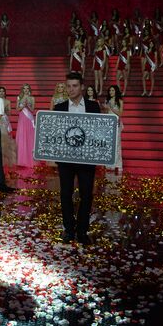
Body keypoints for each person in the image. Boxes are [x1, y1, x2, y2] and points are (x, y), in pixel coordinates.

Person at [54, 72, 101, 245]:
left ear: (81, 87)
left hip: (87, 160)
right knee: (65, 194)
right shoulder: (59, 107)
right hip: (65, 160)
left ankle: (82, 231)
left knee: (86, 195)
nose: (71, 89)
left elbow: (99, 131)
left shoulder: (93, 106)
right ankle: (68, 230)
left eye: (74, 86)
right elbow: (55, 133)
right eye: (68, 86)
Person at [103, 85, 124, 172]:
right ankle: (109, 164)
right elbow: (106, 112)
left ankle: (118, 164)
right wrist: (105, 109)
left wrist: (111, 107)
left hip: (116, 124)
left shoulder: (120, 101)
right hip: (108, 124)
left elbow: (120, 113)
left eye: (113, 90)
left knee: (117, 144)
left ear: (116, 91)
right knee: (109, 144)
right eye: (110, 90)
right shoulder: (107, 100)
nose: (111, 92)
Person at [15, 83, 36, 168]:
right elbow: (17, 109)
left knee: (30, 137)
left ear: (29, 90)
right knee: (22, 137)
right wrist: (23, 105)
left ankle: (30, 160)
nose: (26, 90)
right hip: (22, 119)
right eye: (24, 88)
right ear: (22, 90)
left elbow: (32, 110)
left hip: (29, 119)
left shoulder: (32, 98)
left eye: (27, 88)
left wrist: (28, 105)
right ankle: (22, 160)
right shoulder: (19, 97)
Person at [0, 86, 17, 167]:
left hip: (4, 119)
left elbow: (10, 113)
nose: (1, 93)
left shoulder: (8, 101)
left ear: (5, 93)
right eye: (0, 91)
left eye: (3, 91)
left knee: (6, 138)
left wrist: (6, 110)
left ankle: (7, 157)